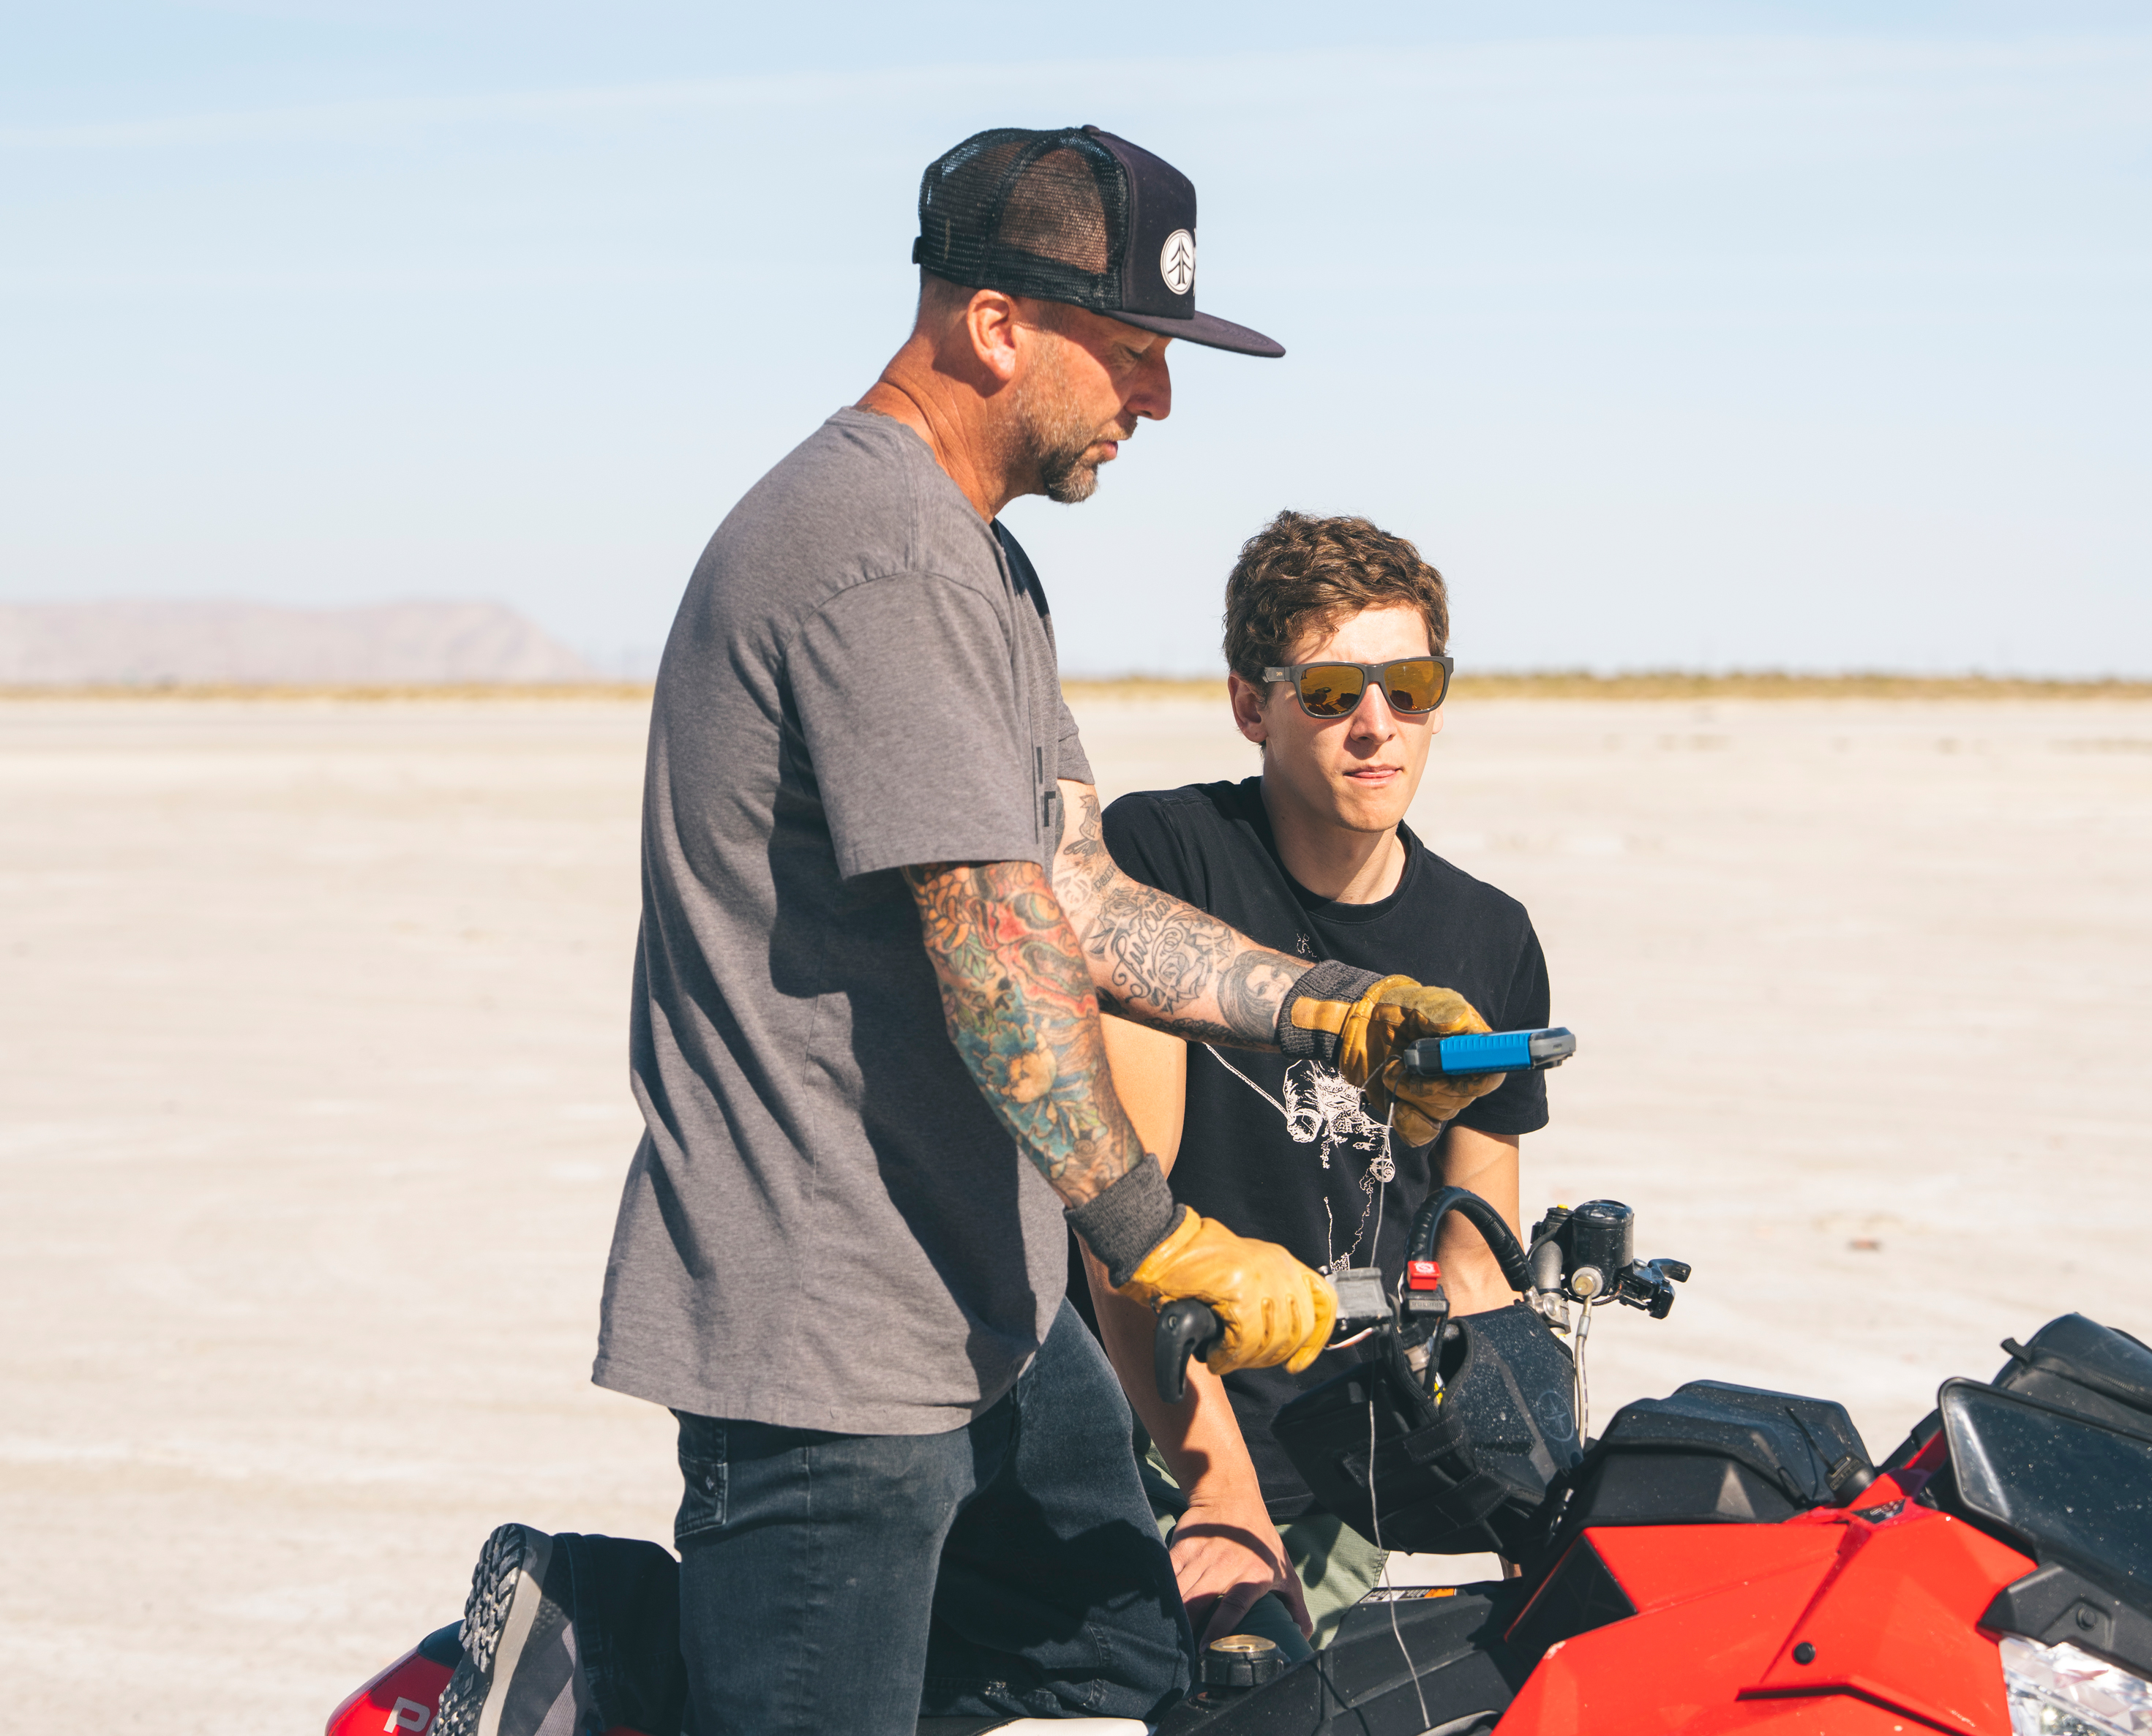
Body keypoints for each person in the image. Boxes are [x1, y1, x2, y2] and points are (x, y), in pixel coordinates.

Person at [427, 130, 1504, 1736]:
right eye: (1134, 353)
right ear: (996, 324)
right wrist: (1159, 1231)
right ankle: (586, 1676)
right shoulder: (879, 559)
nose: (1156, 402)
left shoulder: (979, 562)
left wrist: (1332, 1010)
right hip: (831, 1339)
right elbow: (995, 948)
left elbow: (1076, 890)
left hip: (978, 1314)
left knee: (1111, 1663)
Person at [1074, 511, 1553, 1654]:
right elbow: (1118, 1229)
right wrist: (1218, 1492)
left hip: (1363, 1468)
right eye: (1334, 690)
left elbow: (1479, 1253)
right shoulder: (1164, 860)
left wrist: (1535, 1482)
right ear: (1253, 705)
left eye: (1414, 683)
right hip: (1162, 1444)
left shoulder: (1490, 937)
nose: (1378, 726)